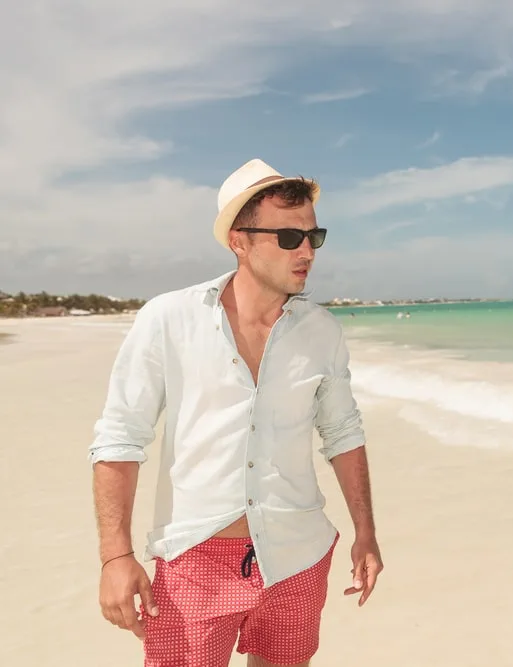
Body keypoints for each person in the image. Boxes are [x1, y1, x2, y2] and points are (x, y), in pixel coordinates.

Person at [89, 158, 383, 667]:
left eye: (315, 237)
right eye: (290, 238)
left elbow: (342, 432)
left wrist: (366, 532)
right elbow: (120, 437)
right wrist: (115, 556)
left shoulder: (323, 331)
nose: (307, 252)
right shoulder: (169, 318)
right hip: (193, 563)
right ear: (239, 241)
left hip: (298, 557)